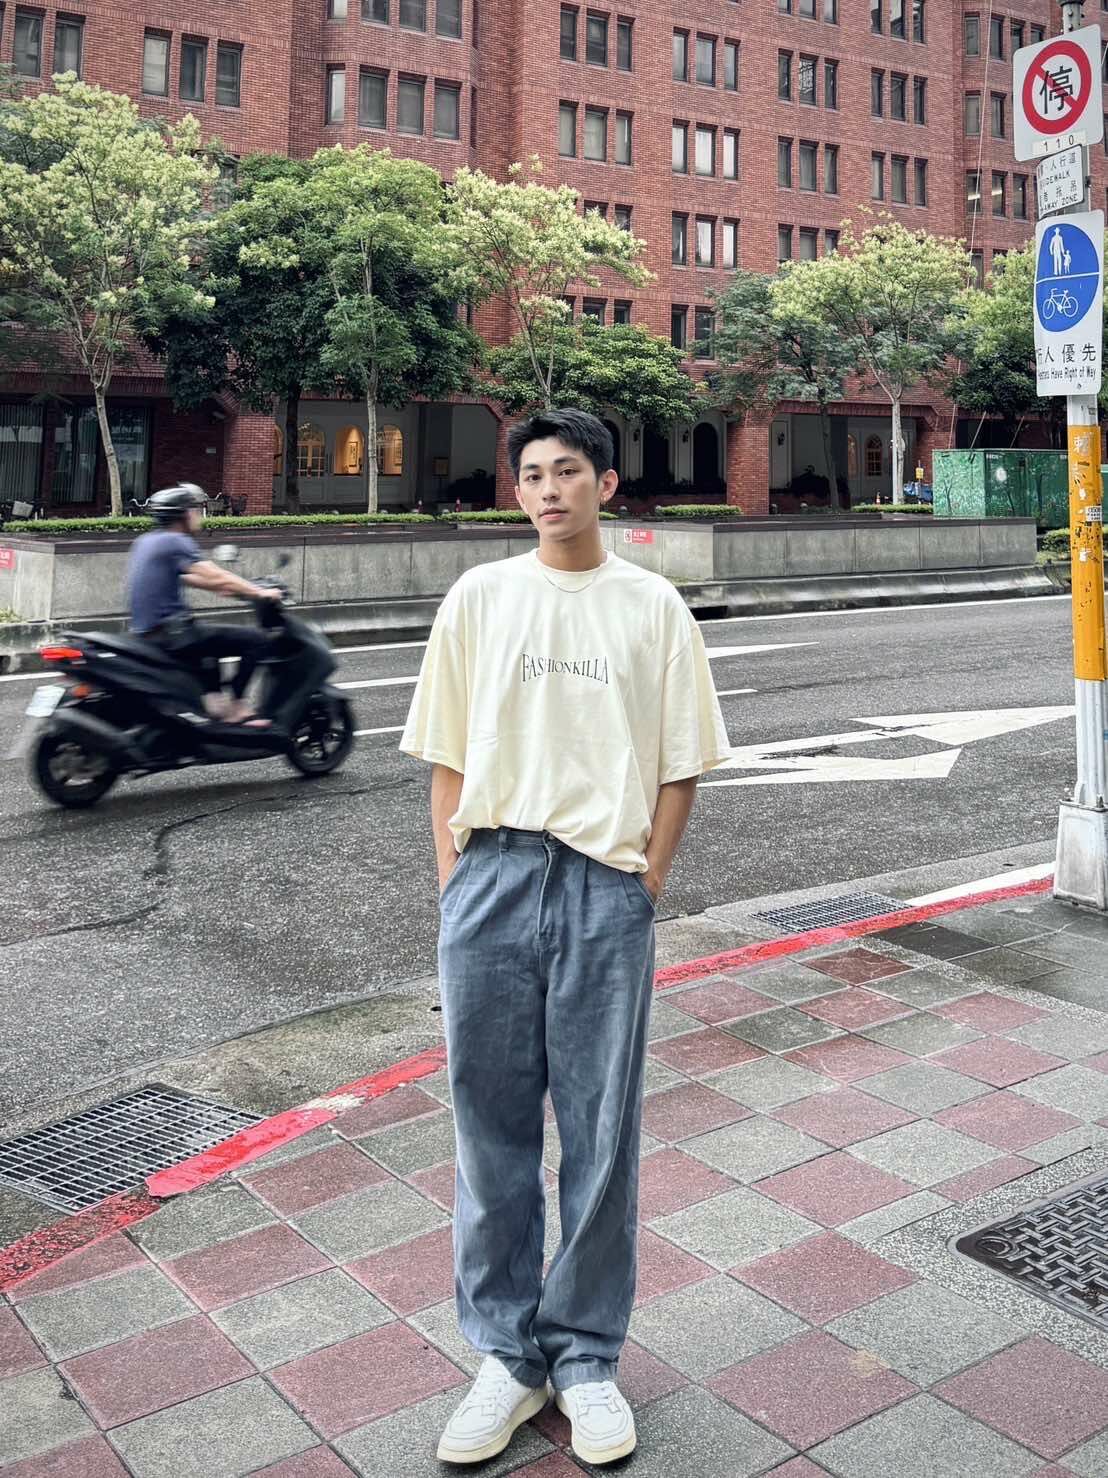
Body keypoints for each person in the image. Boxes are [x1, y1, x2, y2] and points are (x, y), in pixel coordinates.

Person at [400, 409, 730, 1467]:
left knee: (599, 1131)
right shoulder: (479, 596)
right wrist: (455, 884)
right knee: (488, 1129)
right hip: (491, 877)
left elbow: (681, 762)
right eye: (533, 474)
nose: (549, 489)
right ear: (518, 490)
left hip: (602, 887)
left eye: (568, 471)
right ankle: (506, 1355)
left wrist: (645, 880)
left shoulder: (651, 604)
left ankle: (585, 1357)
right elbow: (445, 754)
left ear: (607, 483)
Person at [126, 484, 280, 726]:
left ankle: (214, 702)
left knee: (208, 640)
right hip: (172, 633)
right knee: (257, 640)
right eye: (195, 510)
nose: (199, 515)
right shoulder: (176, 541)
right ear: (184, 515)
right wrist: (260, 592)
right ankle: (237, 707)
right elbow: (215, 574)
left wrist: (230, 588)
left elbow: (191, 577)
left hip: (148, 632)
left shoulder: (146, 541)